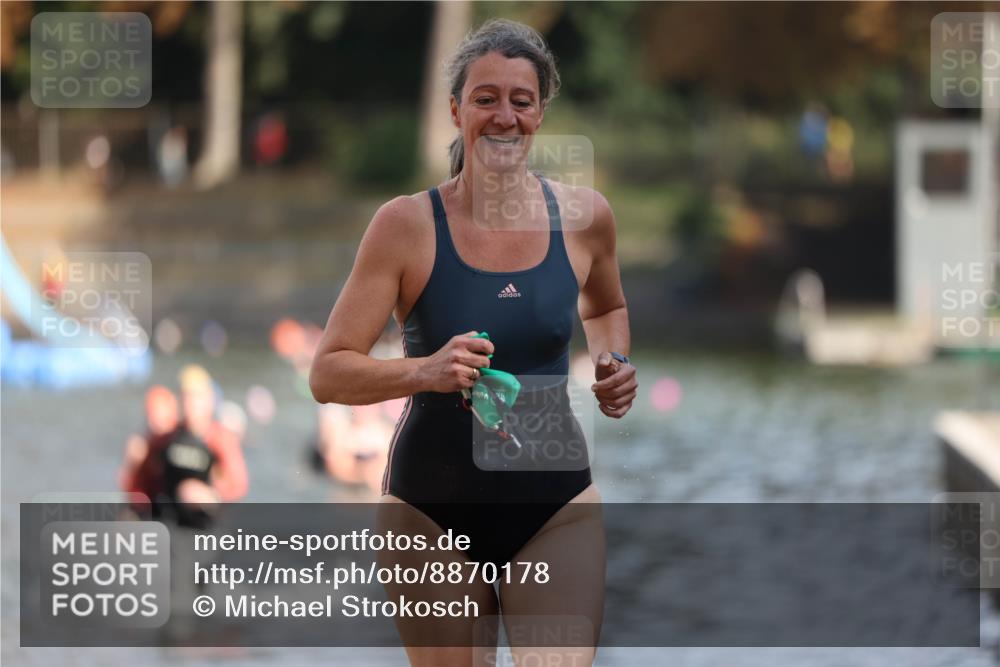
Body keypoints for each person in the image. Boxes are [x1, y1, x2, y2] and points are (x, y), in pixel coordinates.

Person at [309, 19, 636, 666]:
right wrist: (424, 371)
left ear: (541, 113)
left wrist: (615, 361)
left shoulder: (585, 218)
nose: (504, 116)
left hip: (555, 504)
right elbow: (328, 372)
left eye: (521, 99)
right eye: (486, 98)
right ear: (456, 109)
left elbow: (608, 303)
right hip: (431, 512)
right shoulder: (405, 226)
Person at [122, 366, 249, 526]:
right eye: (186, 397)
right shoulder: (166, 438)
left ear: (209, 400)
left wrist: (210, 494)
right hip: (171, 521)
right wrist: (133, 465)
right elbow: (142, 486)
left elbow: (238, 484)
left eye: (196, 398)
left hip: (205, 525)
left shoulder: (220, 439)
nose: (191, 405)